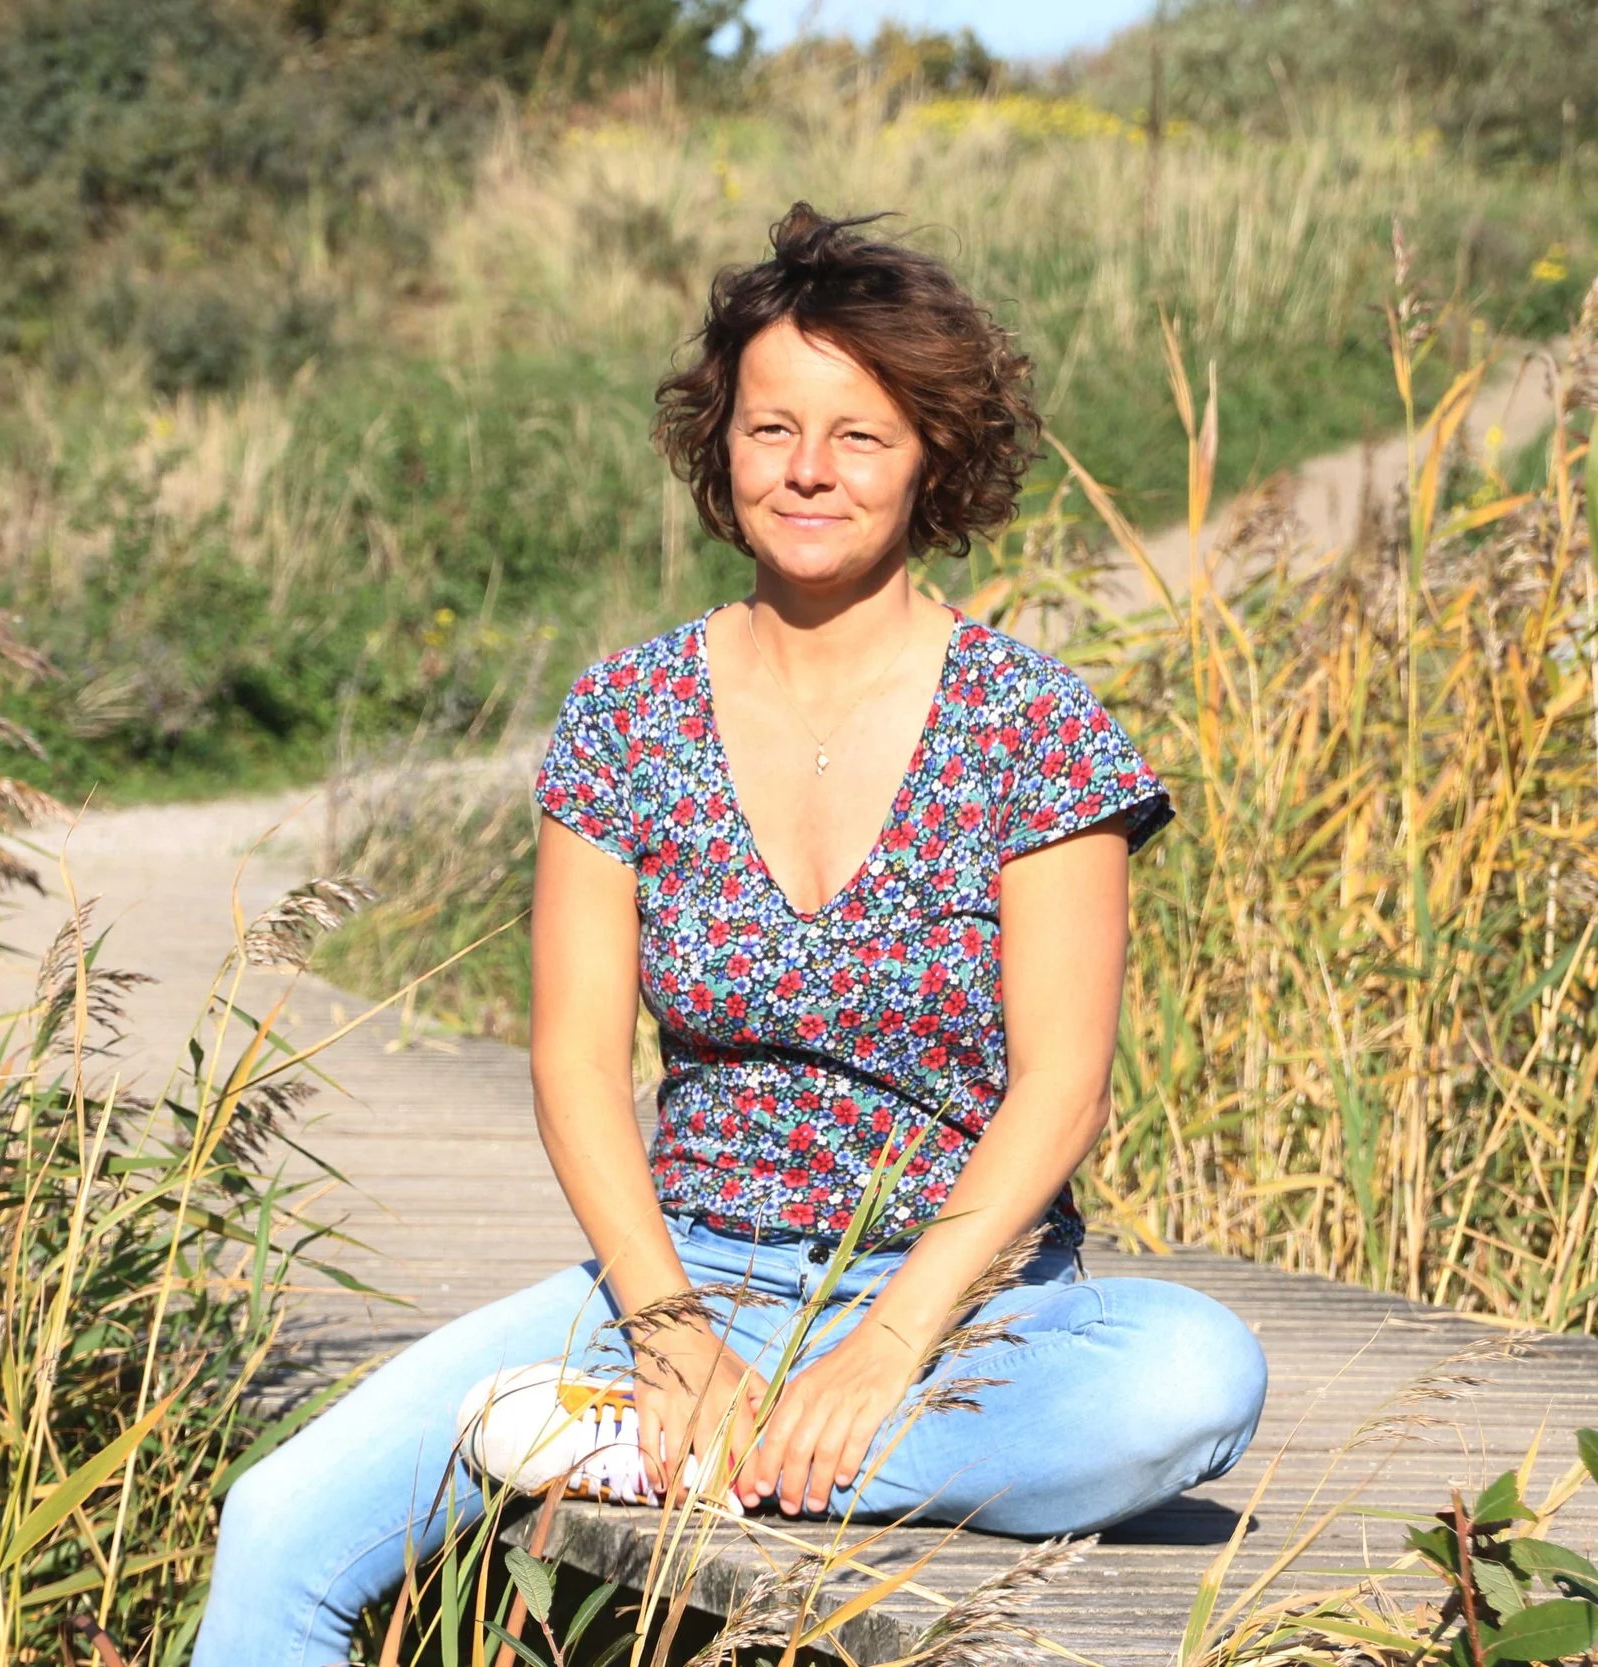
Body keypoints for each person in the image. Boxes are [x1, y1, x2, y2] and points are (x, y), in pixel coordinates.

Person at [191, 203, 1267, 1666]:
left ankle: (687, 1459)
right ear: (723, 447)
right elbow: (577, 1060)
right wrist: (666, 1321)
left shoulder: (1037, 726)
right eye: (771, 430)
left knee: (1194, 1380)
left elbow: (1061, 1087)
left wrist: (885, 1348)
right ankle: (667, 1424)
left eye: (859, 436)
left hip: (963, 1312)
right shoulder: (627, 715)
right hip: (681, 1277)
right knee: (277, 1528)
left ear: (932, 457)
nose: (809, 470)